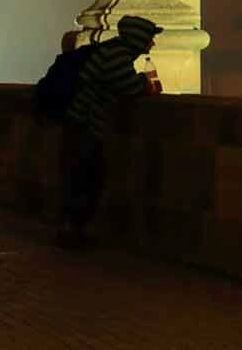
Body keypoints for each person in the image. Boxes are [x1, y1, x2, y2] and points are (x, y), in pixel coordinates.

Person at [58, 15, 163, 250]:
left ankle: (72, 228)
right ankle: (73, 230)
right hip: (85, 125)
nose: (152, 44)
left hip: (80, 123)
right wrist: (146, 83)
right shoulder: (117, 56)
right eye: (149, 38)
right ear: (138, 39)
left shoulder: (110, 51)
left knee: (81, 176)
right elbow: (130, 86)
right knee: (87, 177)